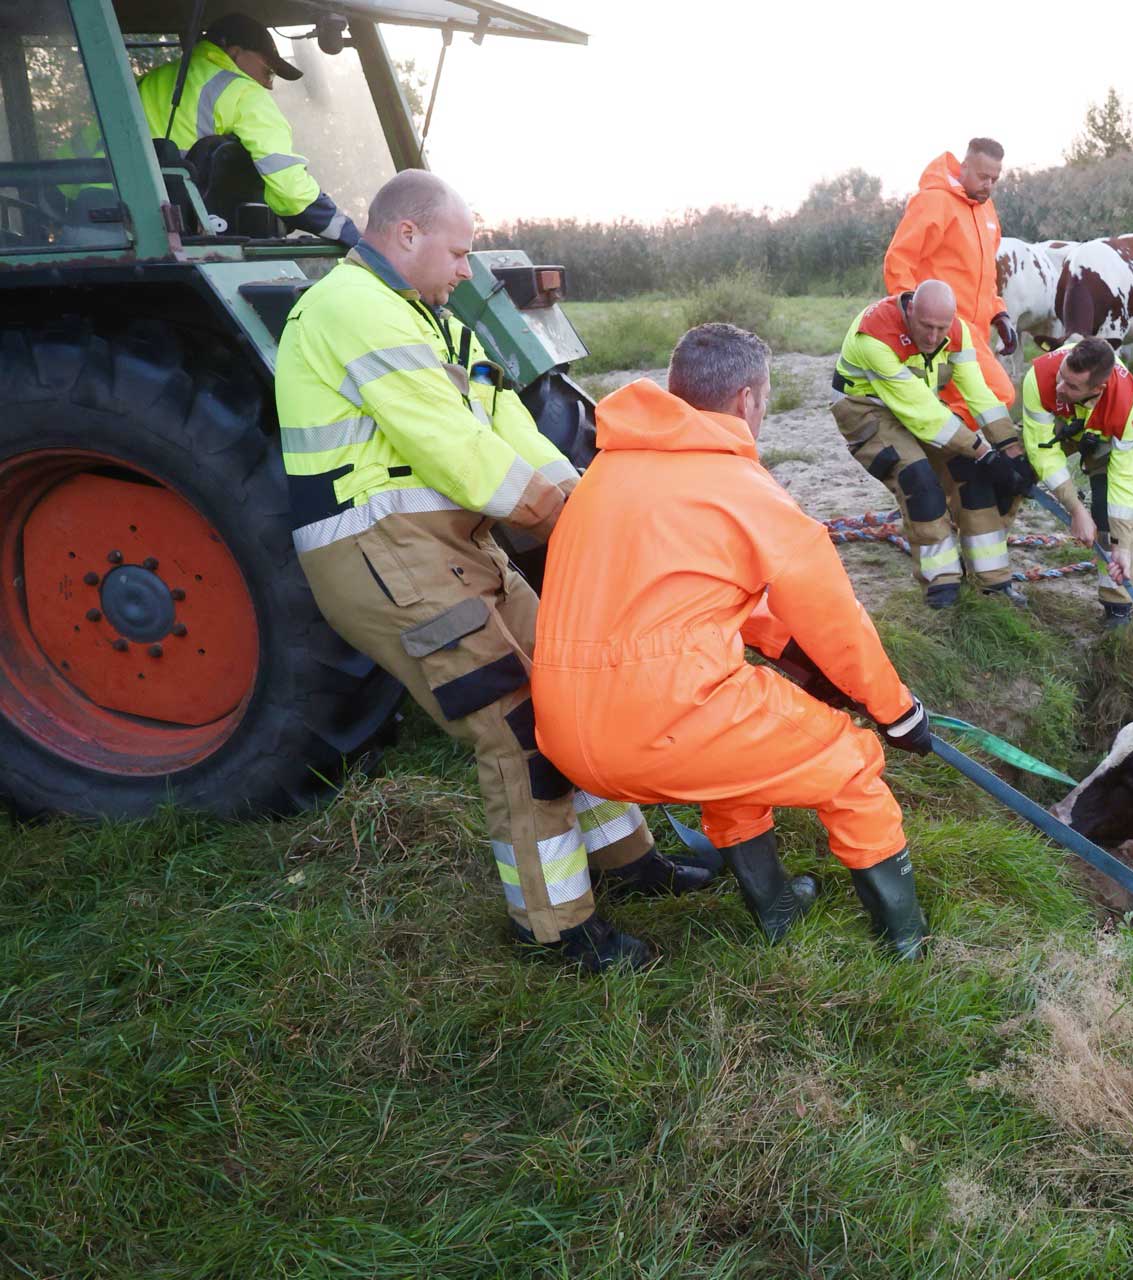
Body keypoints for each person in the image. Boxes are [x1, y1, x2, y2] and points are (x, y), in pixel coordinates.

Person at [275, 170, 707, 976]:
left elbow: (503, 422)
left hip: (449, 545)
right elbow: (455, 448)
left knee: (568, 690)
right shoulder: (352, 309)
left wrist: (587, 503)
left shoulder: (433, 323)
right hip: (380, 555)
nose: (468, 270)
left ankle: (631, 864)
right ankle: (554, 927)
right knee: (516, 729)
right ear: (406, 234)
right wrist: (557, 516)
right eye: (459, 251)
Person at [531, 323, 936, 960]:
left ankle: (777, 908)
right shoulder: (742, 490)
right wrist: (897, 714)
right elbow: (840, 624)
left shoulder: (604, 475)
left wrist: (789, 654)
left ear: (674, 391)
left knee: (734, 758)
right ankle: (907, 943)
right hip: (659, 724)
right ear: (747, 400)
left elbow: (702, 594)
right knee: (853, 762)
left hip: (563, 737)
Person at [831, 280, 1033, 608]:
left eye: (941, 328)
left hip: (920, 405)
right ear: (910, 309)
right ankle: (942, 589)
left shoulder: (958, 332)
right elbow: (922, 415)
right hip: (867, 410)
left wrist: (1010, 448)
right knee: (919, 480)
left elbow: (978, 393)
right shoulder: (874, 335)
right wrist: (984, 452)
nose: (933, 337)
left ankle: (993, 584)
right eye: (926, 326)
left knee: (973, 473)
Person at [136, 13, 359, 243]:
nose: (269, 85)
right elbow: (288, 186)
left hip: (114, 221)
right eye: (268, 71)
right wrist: (348, 234)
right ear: (234, 52)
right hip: (179, 233)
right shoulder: (243, 92)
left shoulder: (148, 81)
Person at [1019, 339, 1133, 626]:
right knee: (1012, 473)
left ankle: (1118, 605)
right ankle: (990, 576)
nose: (1060, 388)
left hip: (1101, 440)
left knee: (1107, 514)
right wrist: (1075, 508)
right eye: (1061, 376)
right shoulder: (1040, 378)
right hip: (1057, 429)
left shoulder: (1126, 404)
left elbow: (1128, 478)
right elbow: (1042, 450)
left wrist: (1122, 544)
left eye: (1071, 386)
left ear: (1097, 389)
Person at [884, 138, 1018, 417]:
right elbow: (898, 261)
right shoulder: (934, 201)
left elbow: (985, 274)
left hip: (977, 334)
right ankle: (945, 449)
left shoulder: (986, 210)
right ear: (964, 166)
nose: (988, 185)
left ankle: (943, 452)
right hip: (946, 329)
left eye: (995, 179)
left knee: (965, 403)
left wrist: (999, 314)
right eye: (983, 177)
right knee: (999, 394)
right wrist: (913, 314)